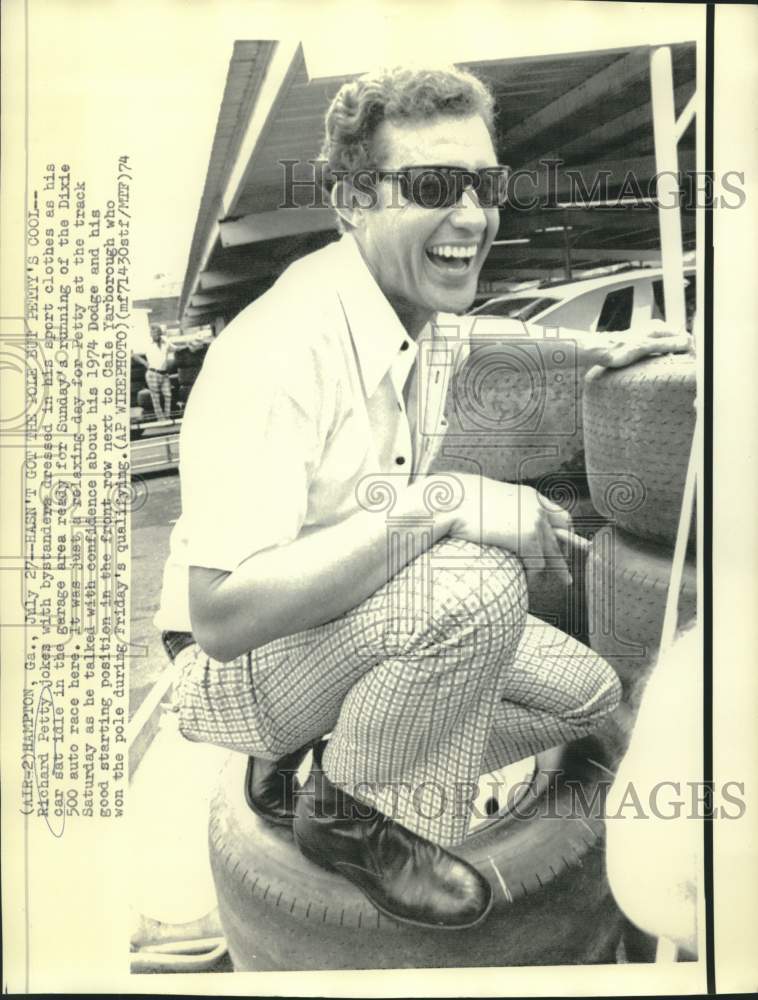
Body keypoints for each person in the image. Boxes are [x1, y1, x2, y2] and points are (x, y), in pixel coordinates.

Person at [155, 65, 690, 930]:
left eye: (487, 185)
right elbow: (218, 615)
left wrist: (604, 346)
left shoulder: (409, 309)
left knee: (586, 695)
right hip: (231, 662)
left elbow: (482, 330)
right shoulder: (278, 353)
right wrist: (441, 502)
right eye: (435, 186)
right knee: (474, 579)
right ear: (351, 201)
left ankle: (313, 760)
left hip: (347, 625)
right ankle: (349, 812)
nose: (474, 216)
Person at [137, 325, 174, 420]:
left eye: (158, 332)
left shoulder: (166, 343)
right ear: (151, 334)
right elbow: (133, 354)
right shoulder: (146, 344)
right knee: (155, 397)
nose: (156, 334)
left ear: (160, 333)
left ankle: (167, 416)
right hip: (152, 373)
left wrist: (190, 345)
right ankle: (160, 418)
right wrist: (145, 363)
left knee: (168, 395)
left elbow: (175, 349)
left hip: (164, 373)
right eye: (154, 332)